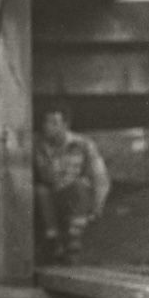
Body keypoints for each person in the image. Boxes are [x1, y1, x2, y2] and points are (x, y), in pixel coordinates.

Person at [34, 102, 111, 263]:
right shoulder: (38, 145)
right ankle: (53, 240)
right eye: (46, 122)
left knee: (81, 185)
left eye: (54, 122)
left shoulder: (83, 144)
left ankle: (74, 240)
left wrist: (97, 207)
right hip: (49, 196)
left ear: (65, 125)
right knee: (41, 191)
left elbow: (100, 177)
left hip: (72, 195)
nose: (49, 127)